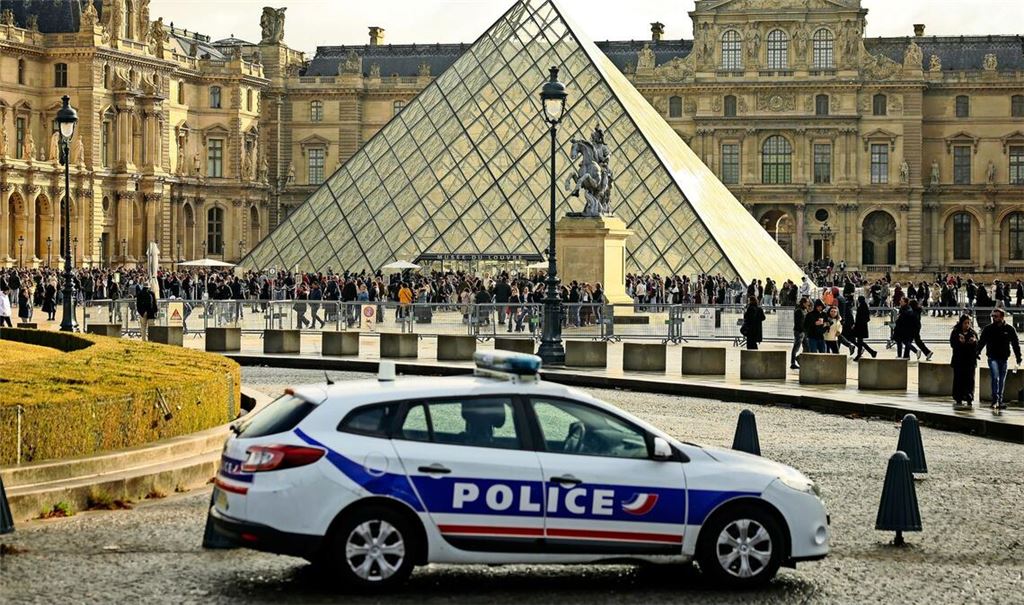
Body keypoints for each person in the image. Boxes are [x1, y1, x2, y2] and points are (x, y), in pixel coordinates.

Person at [976, 305, 1022, 411]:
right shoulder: (988, 329)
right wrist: (977, 352)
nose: (993, 318)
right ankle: (995, 400)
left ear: (1002, 317)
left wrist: (1018, 357)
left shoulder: (1009, 329)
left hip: (1004, 358)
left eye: (996, 316)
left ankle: (1000, 400)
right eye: (993, 316)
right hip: (992, 357)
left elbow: (1015, 344)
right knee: (995, 377)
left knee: (1001, 380)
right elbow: (982, 342)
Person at [950, 314, 978, 409]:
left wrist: (974, 342)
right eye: (965, 323)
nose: (967, 325)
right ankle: (958, 397)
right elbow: (953, 344)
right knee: (958, 379)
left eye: (968, 323)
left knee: (970, 379)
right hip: (959, 360)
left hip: (970, 360)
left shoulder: (973, 333)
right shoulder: (956, 332)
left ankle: (969, 396)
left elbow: (977, 346)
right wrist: (959, 342)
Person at [852, 296, 878, 361]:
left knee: (860, 342)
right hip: (862, 327)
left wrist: (856, 324)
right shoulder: (864, 306)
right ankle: (871, 352)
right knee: (860, 342)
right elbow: (867, 318)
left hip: (860, 327)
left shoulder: (861, 307)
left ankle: (861, 354)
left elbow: (859, 318)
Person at [791, 297, 809, 369]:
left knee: (806, 347)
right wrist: (803, 329)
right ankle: (793, 362)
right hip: (799, 331)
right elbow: (798, 322)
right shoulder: (799, 311)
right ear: (804, 303)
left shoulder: (804, 310)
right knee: (796, 347)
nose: (808, 303)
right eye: (807, 302)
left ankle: (798, 358)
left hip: (803, 331)